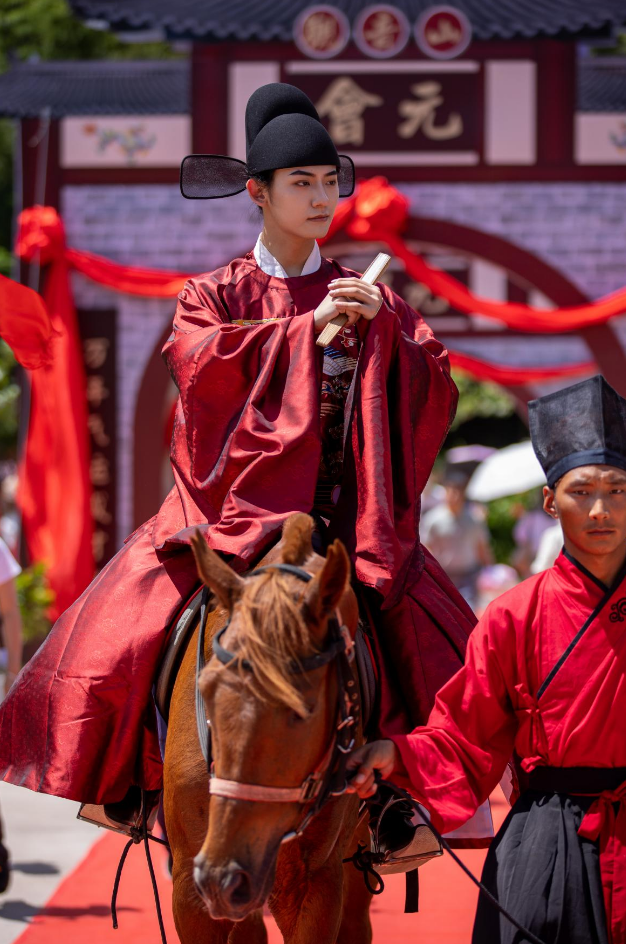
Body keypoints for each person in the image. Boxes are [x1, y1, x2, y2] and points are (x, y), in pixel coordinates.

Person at [0, 83, 475, 834]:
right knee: (125, 621)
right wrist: (300, 332)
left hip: (343, 514)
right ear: (257, 192)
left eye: (329, 183)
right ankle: (131, 776)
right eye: (301, 184)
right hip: (232, 510)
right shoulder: (213, 293)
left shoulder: (370, 294)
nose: (321, 199)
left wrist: (387, 337)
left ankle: (399, 801)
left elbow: (432, 385)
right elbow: (196, 367)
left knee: (429, 626)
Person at [347, 373, 626, 944]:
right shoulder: (512, 616)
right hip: (551, 841)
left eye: (618, 491)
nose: (601, 509)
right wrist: (393, 754)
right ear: (550, 502)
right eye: (582, 491)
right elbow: (464, 736)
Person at [421, 467, 493, 607]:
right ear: (445, 492)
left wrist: (489, 569)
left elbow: (481, 547)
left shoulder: (474, 519)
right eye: (451, 491)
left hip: (468, 575)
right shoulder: (433, 520)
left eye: (458, 491)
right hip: (444, 576)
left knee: (469, 611)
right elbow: (426, 548)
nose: (455, 496)